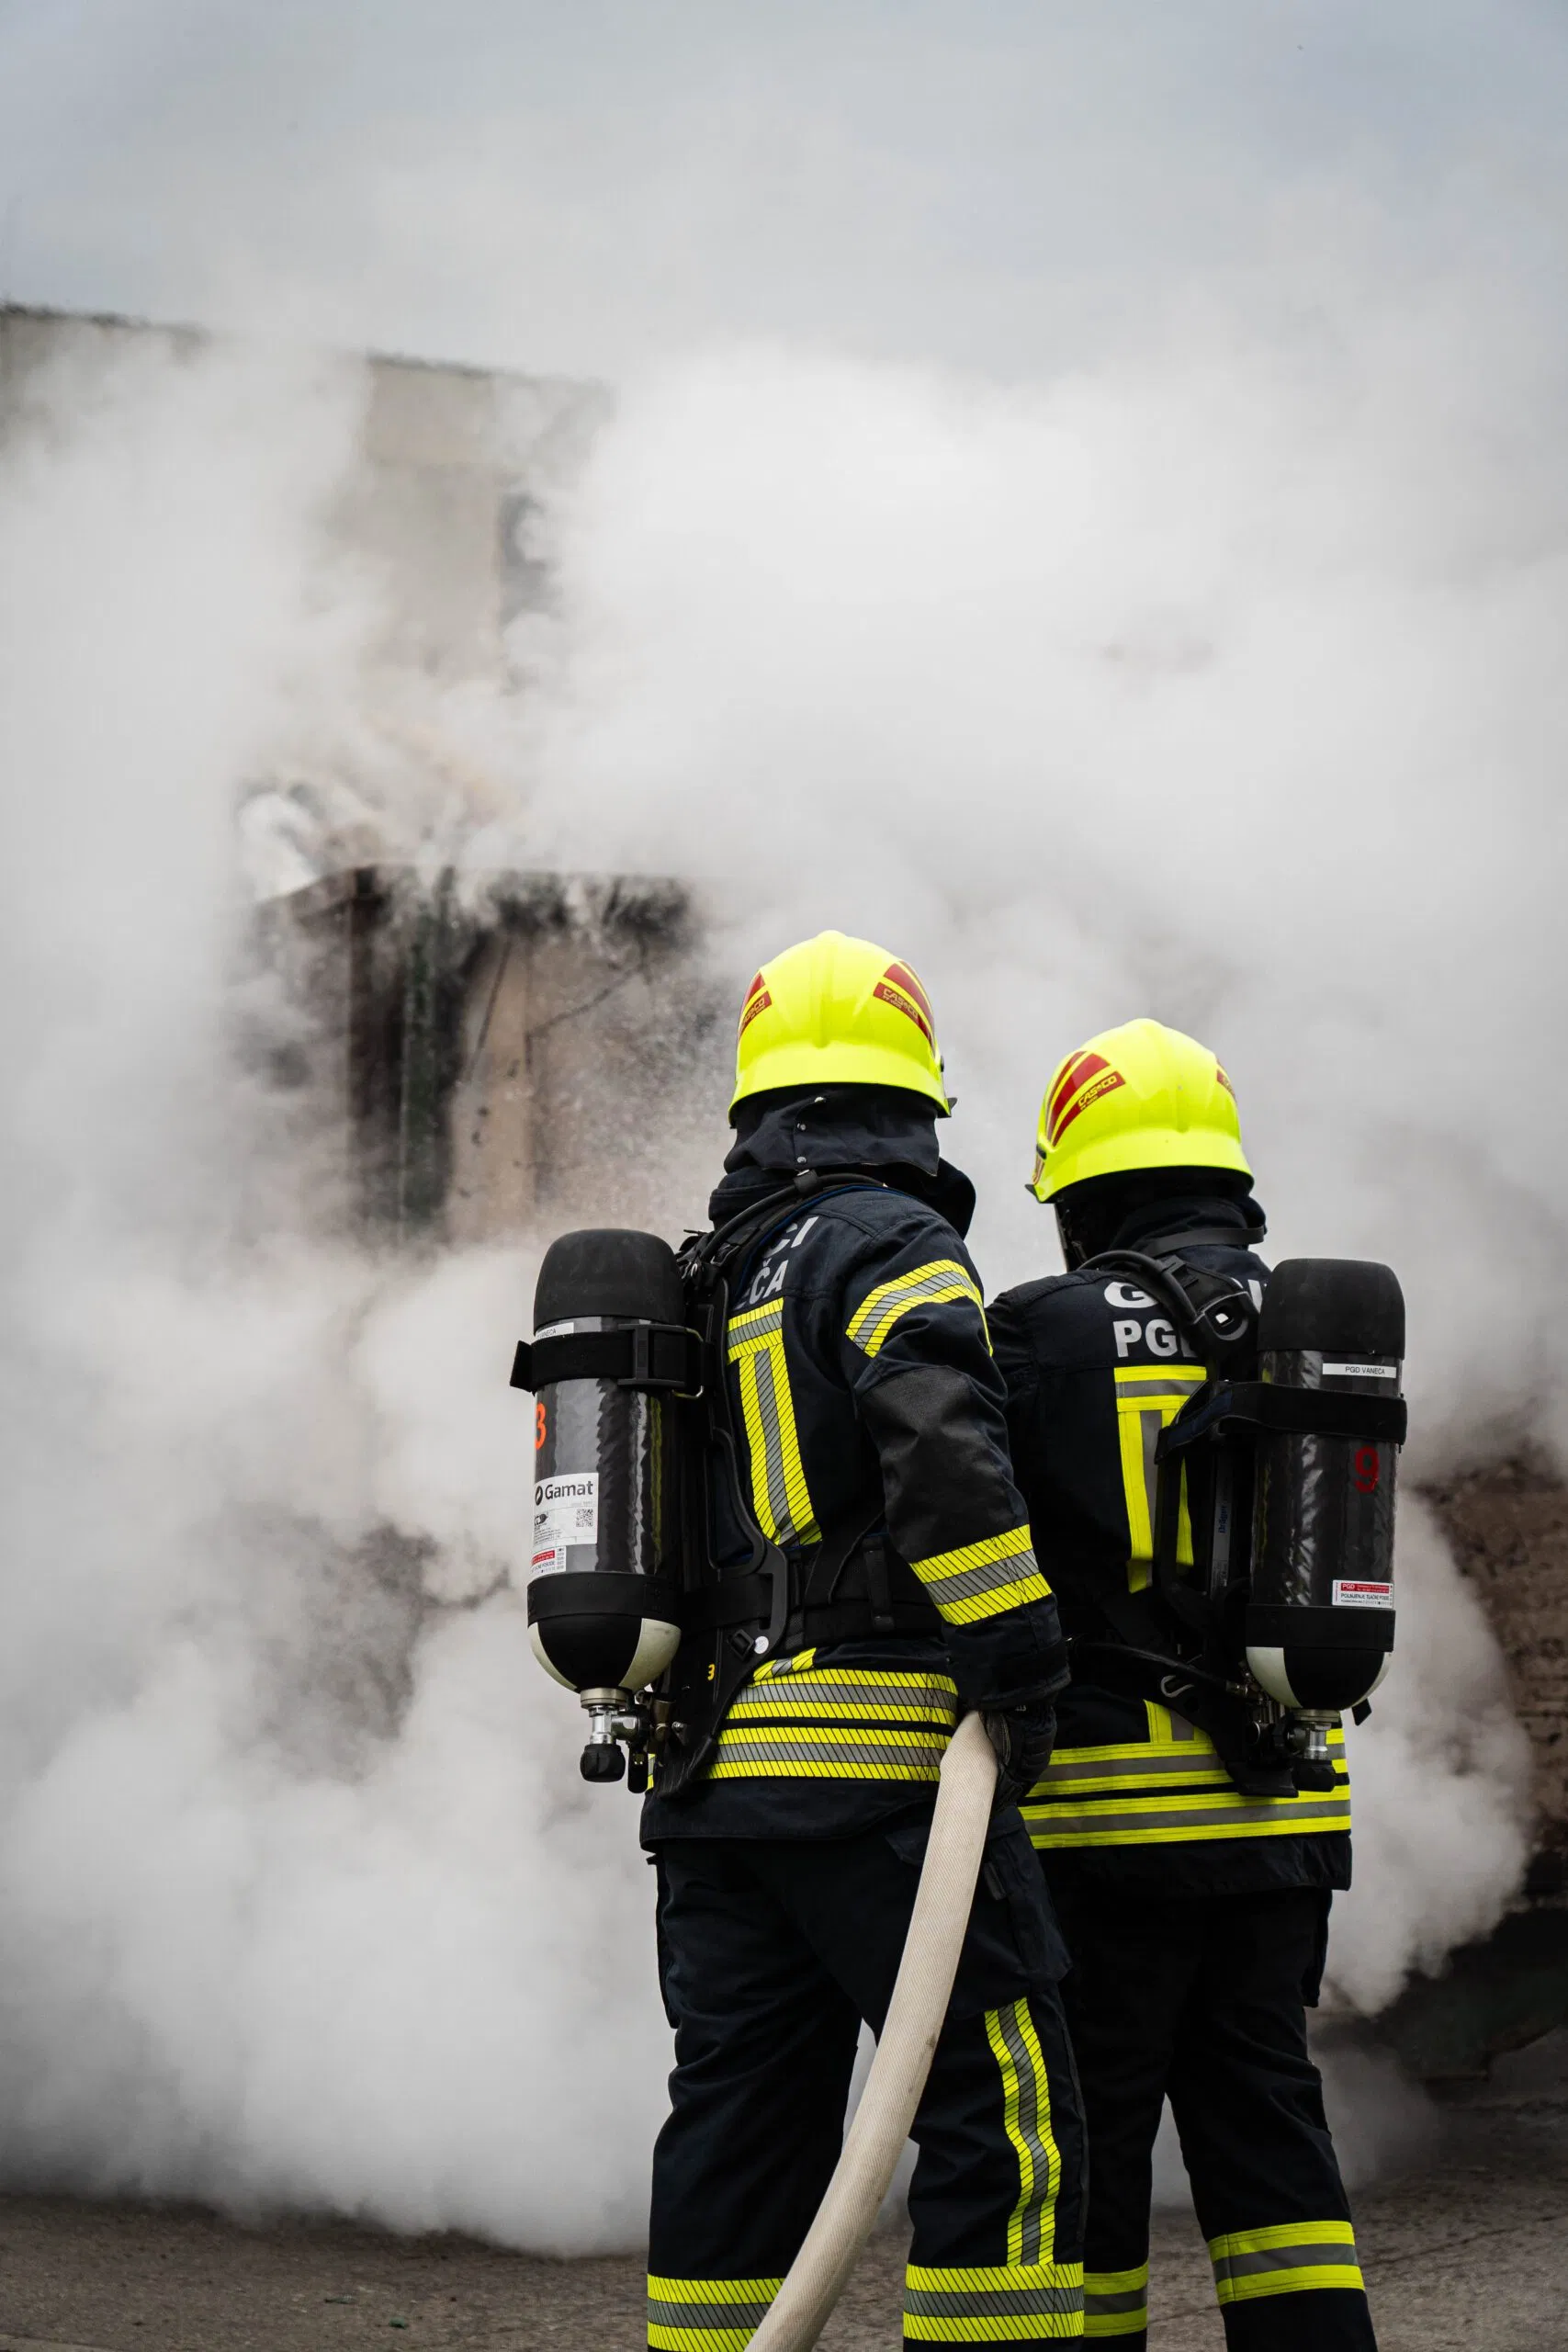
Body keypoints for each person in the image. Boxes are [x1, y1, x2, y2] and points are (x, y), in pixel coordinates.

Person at [642, 931, 1087, 2351]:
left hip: (710, 1782)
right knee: (1004, 2107)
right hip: (880, 1773)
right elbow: (944, 1457)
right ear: (915, 1101)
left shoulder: (700, 1275)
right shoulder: (889, 1242)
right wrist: (1020, 1665)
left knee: (739, 2129)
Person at [987, 1018, 1375, 2352]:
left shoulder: (1035, 1329)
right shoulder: (1312, 1323)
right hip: (1287, 1809)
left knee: (1090, 2141)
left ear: (1082, 1195)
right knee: (1267, 2127)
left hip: (1107, 1825)